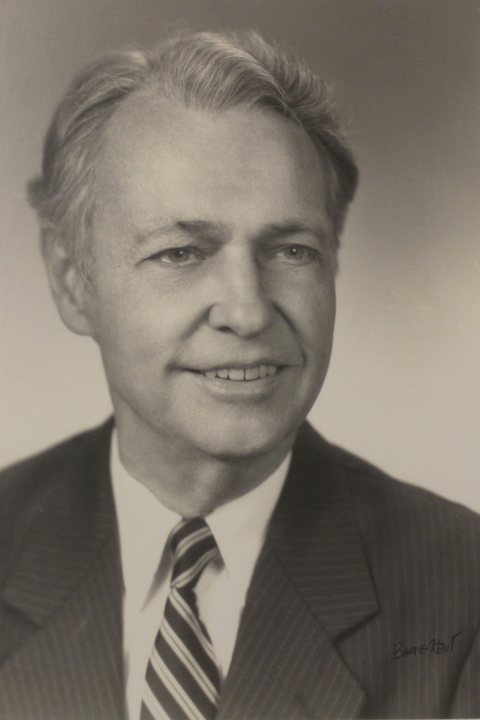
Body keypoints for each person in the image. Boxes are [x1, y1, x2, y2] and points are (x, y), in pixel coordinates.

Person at [0, 30, 478, 720]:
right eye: (182, 253)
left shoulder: (463, 588)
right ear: (73, 281)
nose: (249, 311)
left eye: (290, 249)